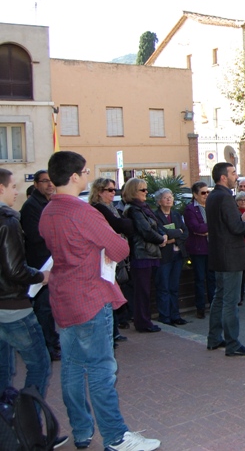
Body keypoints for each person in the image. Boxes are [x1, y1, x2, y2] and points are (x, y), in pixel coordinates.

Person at [40, 151, 160, 451]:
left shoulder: (48, 211)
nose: (86, 174)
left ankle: (81, 432)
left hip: (63, 297)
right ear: (74, 177)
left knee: (70, 368)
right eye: (84, 170)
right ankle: (115, 436)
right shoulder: (82, 212)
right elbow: (120, 248)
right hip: (90, 297)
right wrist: (103, 250)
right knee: (101, 370)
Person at [0, 168, 53, 415]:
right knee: (39, 364)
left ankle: (8, 427)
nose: (17, 191)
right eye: (13, 187)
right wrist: (41, 276)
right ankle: (28, 427)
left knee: (4, 368)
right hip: (13, 306)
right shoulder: (8, 220)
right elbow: (14, 269)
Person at [206, 162, 245, 357]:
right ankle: (232, 344)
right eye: (233, 173)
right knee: (230, 301)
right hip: (230, 256)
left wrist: (242, 220)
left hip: (219, 254)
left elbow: (227, 225)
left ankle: (214, 338)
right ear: (223, 177)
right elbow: (237, 229)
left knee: (220, 297)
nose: (236, 176)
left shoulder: (213, 196)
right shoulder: (225, 197)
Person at [20, 169, 60, 362]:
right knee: (43, 308)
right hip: (40, 263)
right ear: (36, 184)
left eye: (51, 181)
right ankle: (47, 346)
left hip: (50, 261)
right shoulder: (32, 206)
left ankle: (52, 340)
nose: (50, 184)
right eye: (45, 181)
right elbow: (36, 236)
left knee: (49, 307)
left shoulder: (48, 203)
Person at [89, 178, 134, 343]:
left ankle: (114, 330)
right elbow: (120, 225)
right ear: (99, 191)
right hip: (104, 257)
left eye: (115, 190)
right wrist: (125, 223)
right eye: (110, 190)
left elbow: (126, 225)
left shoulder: (111, 208)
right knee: (109, 293)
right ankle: (110, 332)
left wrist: (125, 224)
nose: (113, 193)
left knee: (115, 291)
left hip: (114, 256)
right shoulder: (99, 208)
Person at [121, 179, 166, 334]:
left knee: (146, 290)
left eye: (146, 189)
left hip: (149, 253)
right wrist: (161, 239)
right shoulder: (134, 209)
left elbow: (156, 226)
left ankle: (145, 320)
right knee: (142, 291)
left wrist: (162, 235)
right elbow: (145, 230)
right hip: (141, 254)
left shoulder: (143, 208)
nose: (146, 192)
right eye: (142, 190)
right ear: (134, 191)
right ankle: (142, 322)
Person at [152, 188, 188, 326]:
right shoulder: (156, 216)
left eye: (170, 197)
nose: (169, 199)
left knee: (174, 287)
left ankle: (175, 315)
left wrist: (172, 238)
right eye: (166, 197)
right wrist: (175, 233)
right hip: (164, 257)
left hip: (177, 255)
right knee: (163, 287)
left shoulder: (176, 215)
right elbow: (163, 232)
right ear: (159, 201)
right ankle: (165, 317)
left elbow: (185, 232)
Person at [184, 181, 214, 319]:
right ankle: (200, 308)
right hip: (198, 249)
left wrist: (207, 229)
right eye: (203, 193)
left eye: (208, 192)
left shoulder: (212, 206)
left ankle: (214, 306)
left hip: (212, 247)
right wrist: (210, 228)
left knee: (212, 278)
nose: (206, 195)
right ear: (195, 195)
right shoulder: (190, 209)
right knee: (200, 279)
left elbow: (218, 224)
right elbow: (196, 228)